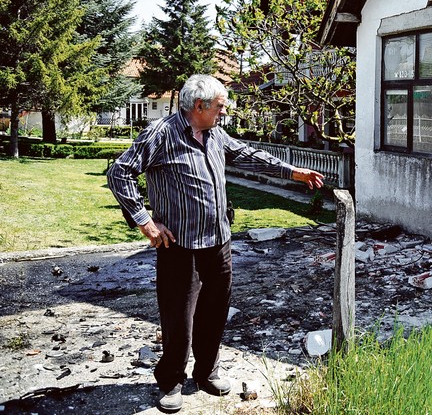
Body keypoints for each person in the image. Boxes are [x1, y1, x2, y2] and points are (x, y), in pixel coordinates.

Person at [107, 74, 324, 413]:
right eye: (221, 106)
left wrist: (292, 172)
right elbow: (119, 172)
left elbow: (251, 154)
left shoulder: (215, 135)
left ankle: (206, 372)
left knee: (215, 310)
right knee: (179, 316)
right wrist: (145, 221)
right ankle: (171, 381)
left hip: (218, 241)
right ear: (200, 106)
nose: (225, 112)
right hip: (180, 245)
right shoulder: (161, 135)